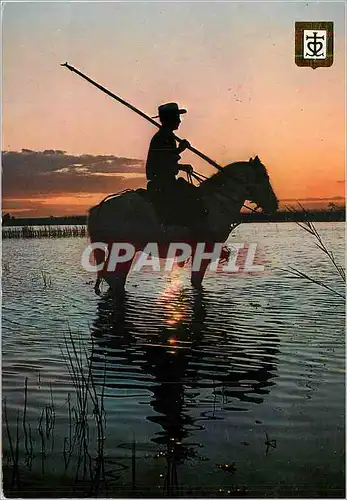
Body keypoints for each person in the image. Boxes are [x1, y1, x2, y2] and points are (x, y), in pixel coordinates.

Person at [146, 102, 207, 231]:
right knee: (195, 197)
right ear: (170, 119)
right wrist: (180, 149)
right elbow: (163, 161)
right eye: (177, 117)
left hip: (164, 181)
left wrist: (181, 166)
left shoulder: (166, 136)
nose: (179, 121)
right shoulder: (164, 137)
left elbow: (165, 162)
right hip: (164, 183)